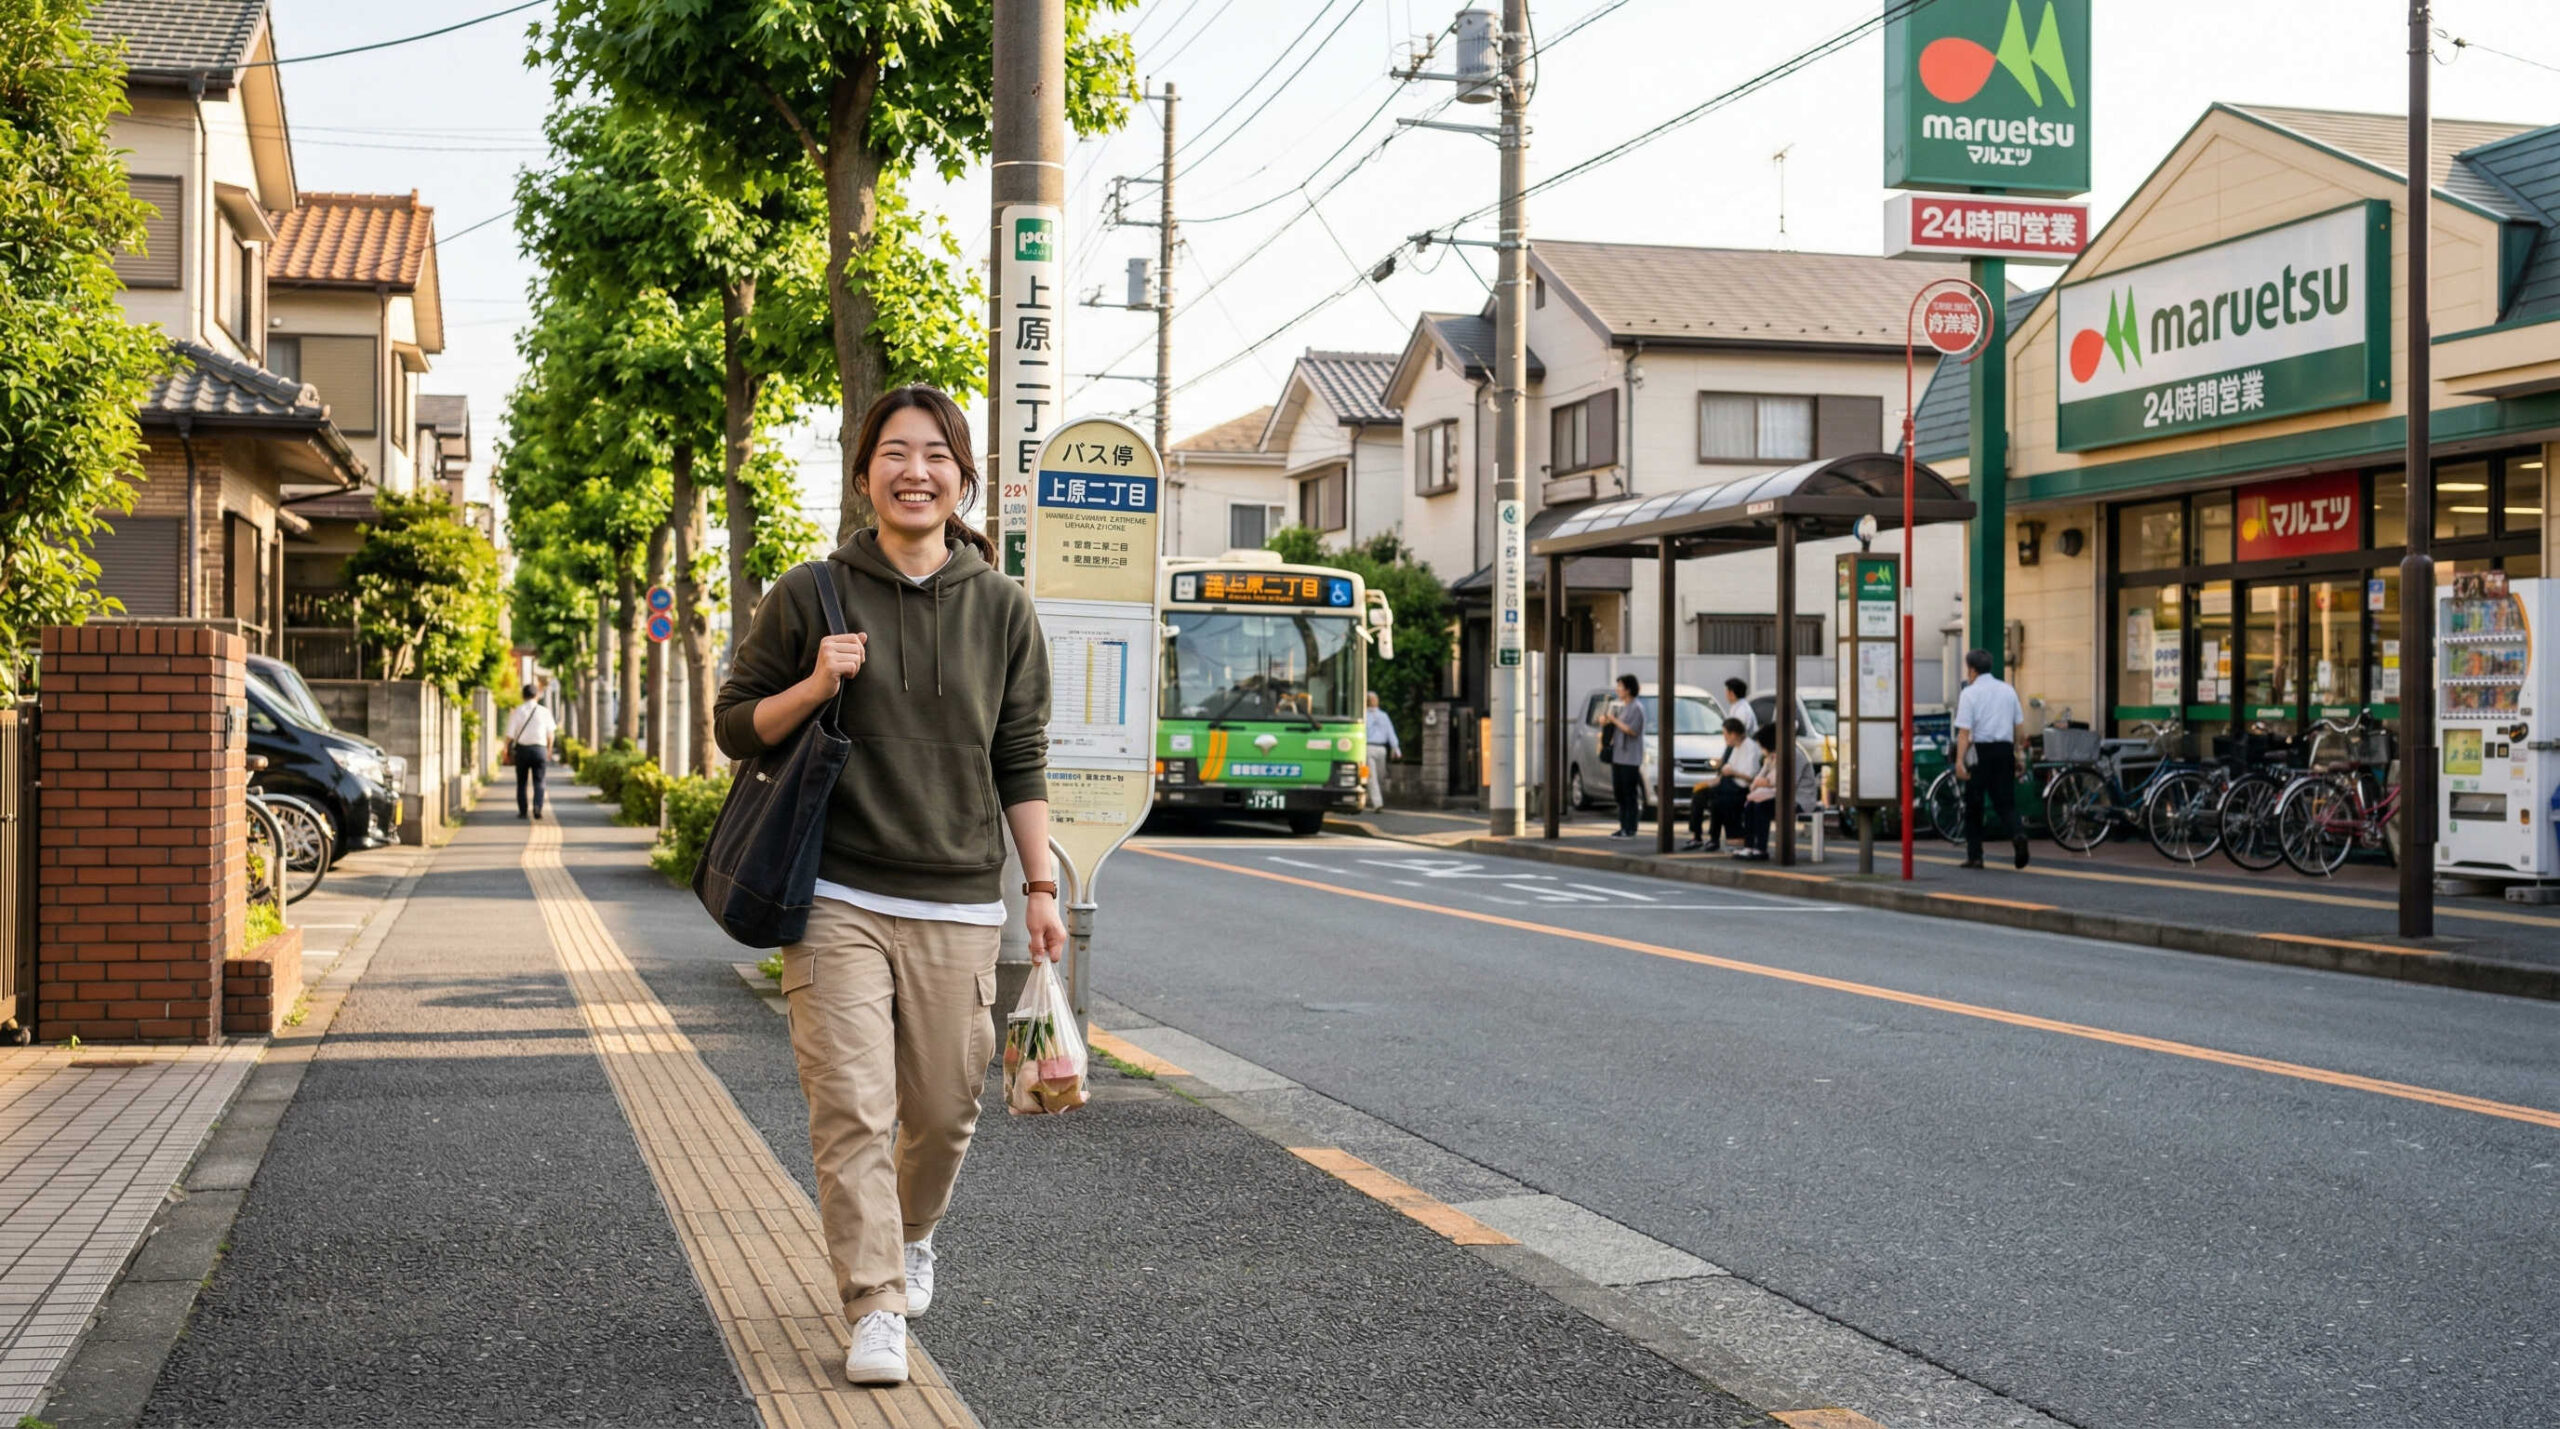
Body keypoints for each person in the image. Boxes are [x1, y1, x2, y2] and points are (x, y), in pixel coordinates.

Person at [712, 385, 1064, 1388]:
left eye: (936, 454)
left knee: (946, 1109)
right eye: (894, 452)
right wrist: (816, 683)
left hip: (960, 896)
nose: (915, 470)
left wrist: (1039, 887)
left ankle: (910, 1237)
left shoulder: (1001, 607)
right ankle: (873, 1304)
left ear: (962, 479)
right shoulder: (810, 593)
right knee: (852, 1108)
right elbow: (735, 726)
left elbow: (1021, 753)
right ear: (863, 473)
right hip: (836, 893)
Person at [1952, 647, 2030, 870]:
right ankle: (2018, 834)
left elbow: (1964, 732)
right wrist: (2019, 756)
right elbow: (2019, 727)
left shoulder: (1969, 693)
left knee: (1974, 806)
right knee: (2005, 804)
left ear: (1972, 670)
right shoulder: (2008, 690)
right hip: (2004, 751)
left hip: (1981, 754)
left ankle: (1975, 856)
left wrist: (1959, 761)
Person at [1683, 716, 1752, 852]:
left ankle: (1714, 839)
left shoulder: (1749, 747)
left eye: (1725, 735)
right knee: (1698, 794)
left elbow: (1750, 777)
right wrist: (1710, 783)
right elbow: (1724, 772)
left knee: (1717, 801)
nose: (1725, 739)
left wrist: (1733, 773)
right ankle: (1696, 835)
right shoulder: (1734, 747)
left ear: (1733, 734)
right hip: (1727, 784)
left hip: (1739, 788)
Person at [504, 684, 556, 820]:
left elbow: (510, 734)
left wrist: (505, 749)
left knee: (521, 782)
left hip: (522, 750)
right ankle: (538, 807)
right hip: (540, 749)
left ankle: (523, 811)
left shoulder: (518, 711)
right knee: (539, 781)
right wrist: (549, 750)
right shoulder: (544, 711)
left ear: (523, 696)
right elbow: (550, 734)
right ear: (537, 696)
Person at [1604, 673, 1646, 838]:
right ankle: (1622, 826)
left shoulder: (1637, 708)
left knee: (1629, 793)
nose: (1618, 690)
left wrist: (1614, 721)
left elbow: (1632, 730)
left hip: (1631, 756)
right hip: (1618, 754)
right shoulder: (1622, 706)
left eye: (1620, 686)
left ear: (1628, 689)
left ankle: (1631, 827)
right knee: (1619, 792)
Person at [1736, 724, 1781, 859]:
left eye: (1761, 746)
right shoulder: (1770, 758)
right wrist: (1761, 782)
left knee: (1761, 807)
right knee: (1751, 806)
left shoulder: (1784, 757)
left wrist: (1762, 783)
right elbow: (1759, 779)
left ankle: (1761, 848)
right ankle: (1749, 846)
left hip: (1787, 797)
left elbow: (1773, 781)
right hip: (1772, 794)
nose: (1761, 750)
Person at [1362, 691, 1399, 812]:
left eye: (1374, 699)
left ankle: (1369, 796)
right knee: (1372, 776)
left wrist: (1395, 747)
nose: (1373, 701)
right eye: (1371, 699)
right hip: (1368, 747)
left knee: (1381, 775)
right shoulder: (1364, 715)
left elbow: (1390, 732)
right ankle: (1378, 803)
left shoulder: (1384, 715)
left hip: (1382, 748)